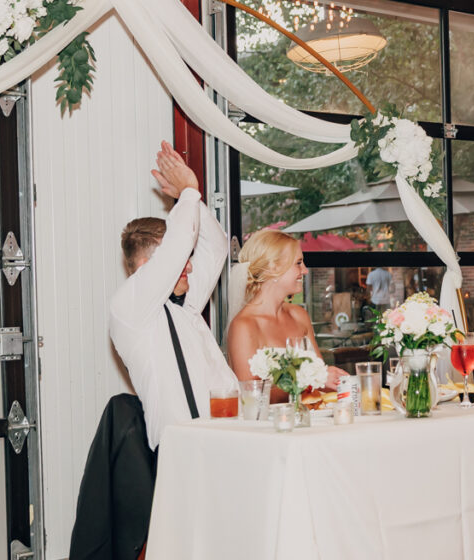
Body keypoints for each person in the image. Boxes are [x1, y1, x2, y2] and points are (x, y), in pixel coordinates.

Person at [109, 141, 238, 449]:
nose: (190, 267)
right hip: (183, 451)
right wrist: (189, 192)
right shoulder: (130, 308)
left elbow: (216, 246)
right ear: (144, 268)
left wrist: (187, 199)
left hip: (227, 439)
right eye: (182, 262)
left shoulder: (186, 303)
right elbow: (179, 245)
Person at [227, 230, 348, 400]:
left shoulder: (299, 315)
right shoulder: (244, 326)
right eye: (298, 263)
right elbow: (251, 396)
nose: (305, 270)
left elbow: (319, 380)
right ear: (273, 268)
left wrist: (335, 381)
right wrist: (313, 379)